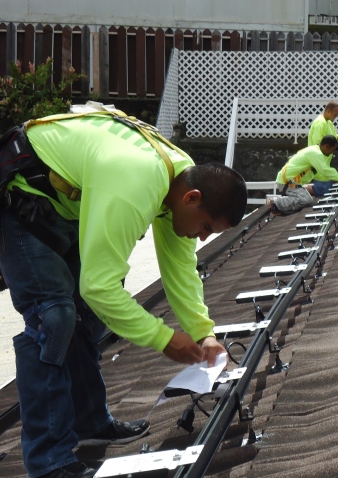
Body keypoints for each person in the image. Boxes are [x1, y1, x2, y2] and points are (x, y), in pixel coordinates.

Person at [0, 110, 247, 478]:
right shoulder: (136, 180)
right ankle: (48, 462)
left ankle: (90, 422)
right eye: (206, 227)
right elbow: (99, 285)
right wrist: (162, 338)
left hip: (61, 206)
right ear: (193, 198)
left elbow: (180, 269)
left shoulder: (179, 178)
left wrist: (202, 333)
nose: (202, 238)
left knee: (87, 312)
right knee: (53, 318)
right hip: (22, 196)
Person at [270, 135, 338, 216]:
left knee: (306, 198)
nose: (331, 153)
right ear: (327, 146)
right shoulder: (316, 154)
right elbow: (325, 170)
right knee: (306, 200)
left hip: (290, 182)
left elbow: (320, 174)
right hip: (286, 183)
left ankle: (283, 202)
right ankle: (276, 203)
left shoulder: (315, 150)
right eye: (332, 150)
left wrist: (336, 178)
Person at [307, 101, 338, 197]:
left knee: (325, 189)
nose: (336, 117)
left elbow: (335, 139)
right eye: (335, 114)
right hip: (318, 163)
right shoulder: (319, 124)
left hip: (324, 163)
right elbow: (319, 145)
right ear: (328, 111)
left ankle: (301, 189)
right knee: (323, 190)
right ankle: (300, 189)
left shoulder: (328, 122)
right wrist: (337, 147)